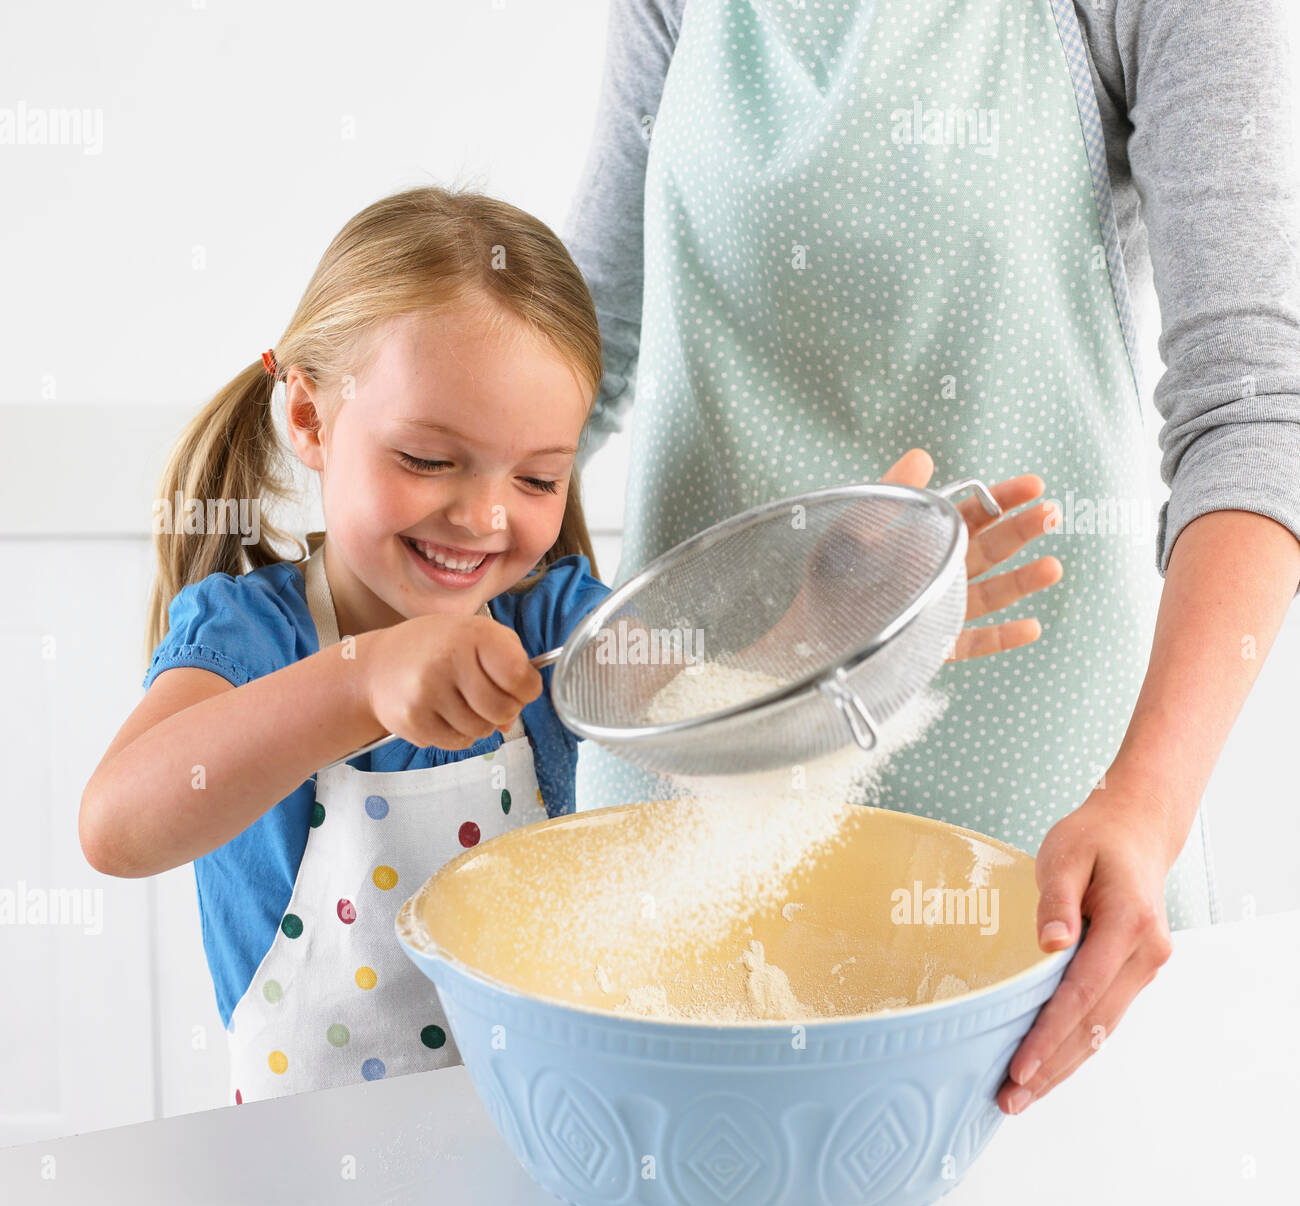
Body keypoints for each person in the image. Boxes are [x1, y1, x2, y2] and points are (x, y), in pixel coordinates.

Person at [77, 184, 1058, 1105]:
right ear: (307, 414)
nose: (482, 516)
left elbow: (714, 706)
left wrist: (835, 630)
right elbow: (117, 825)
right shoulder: (251, 632)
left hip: (536, 1125)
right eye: (427, 458)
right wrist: (361, 679)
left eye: (539, 480)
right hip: (309, 1172)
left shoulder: (554, 626)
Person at [561, 0, 1300, 1114]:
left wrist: (1145, 802)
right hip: (686, 805)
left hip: (1039, 851)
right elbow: (583, 349)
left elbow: (1255, 412)